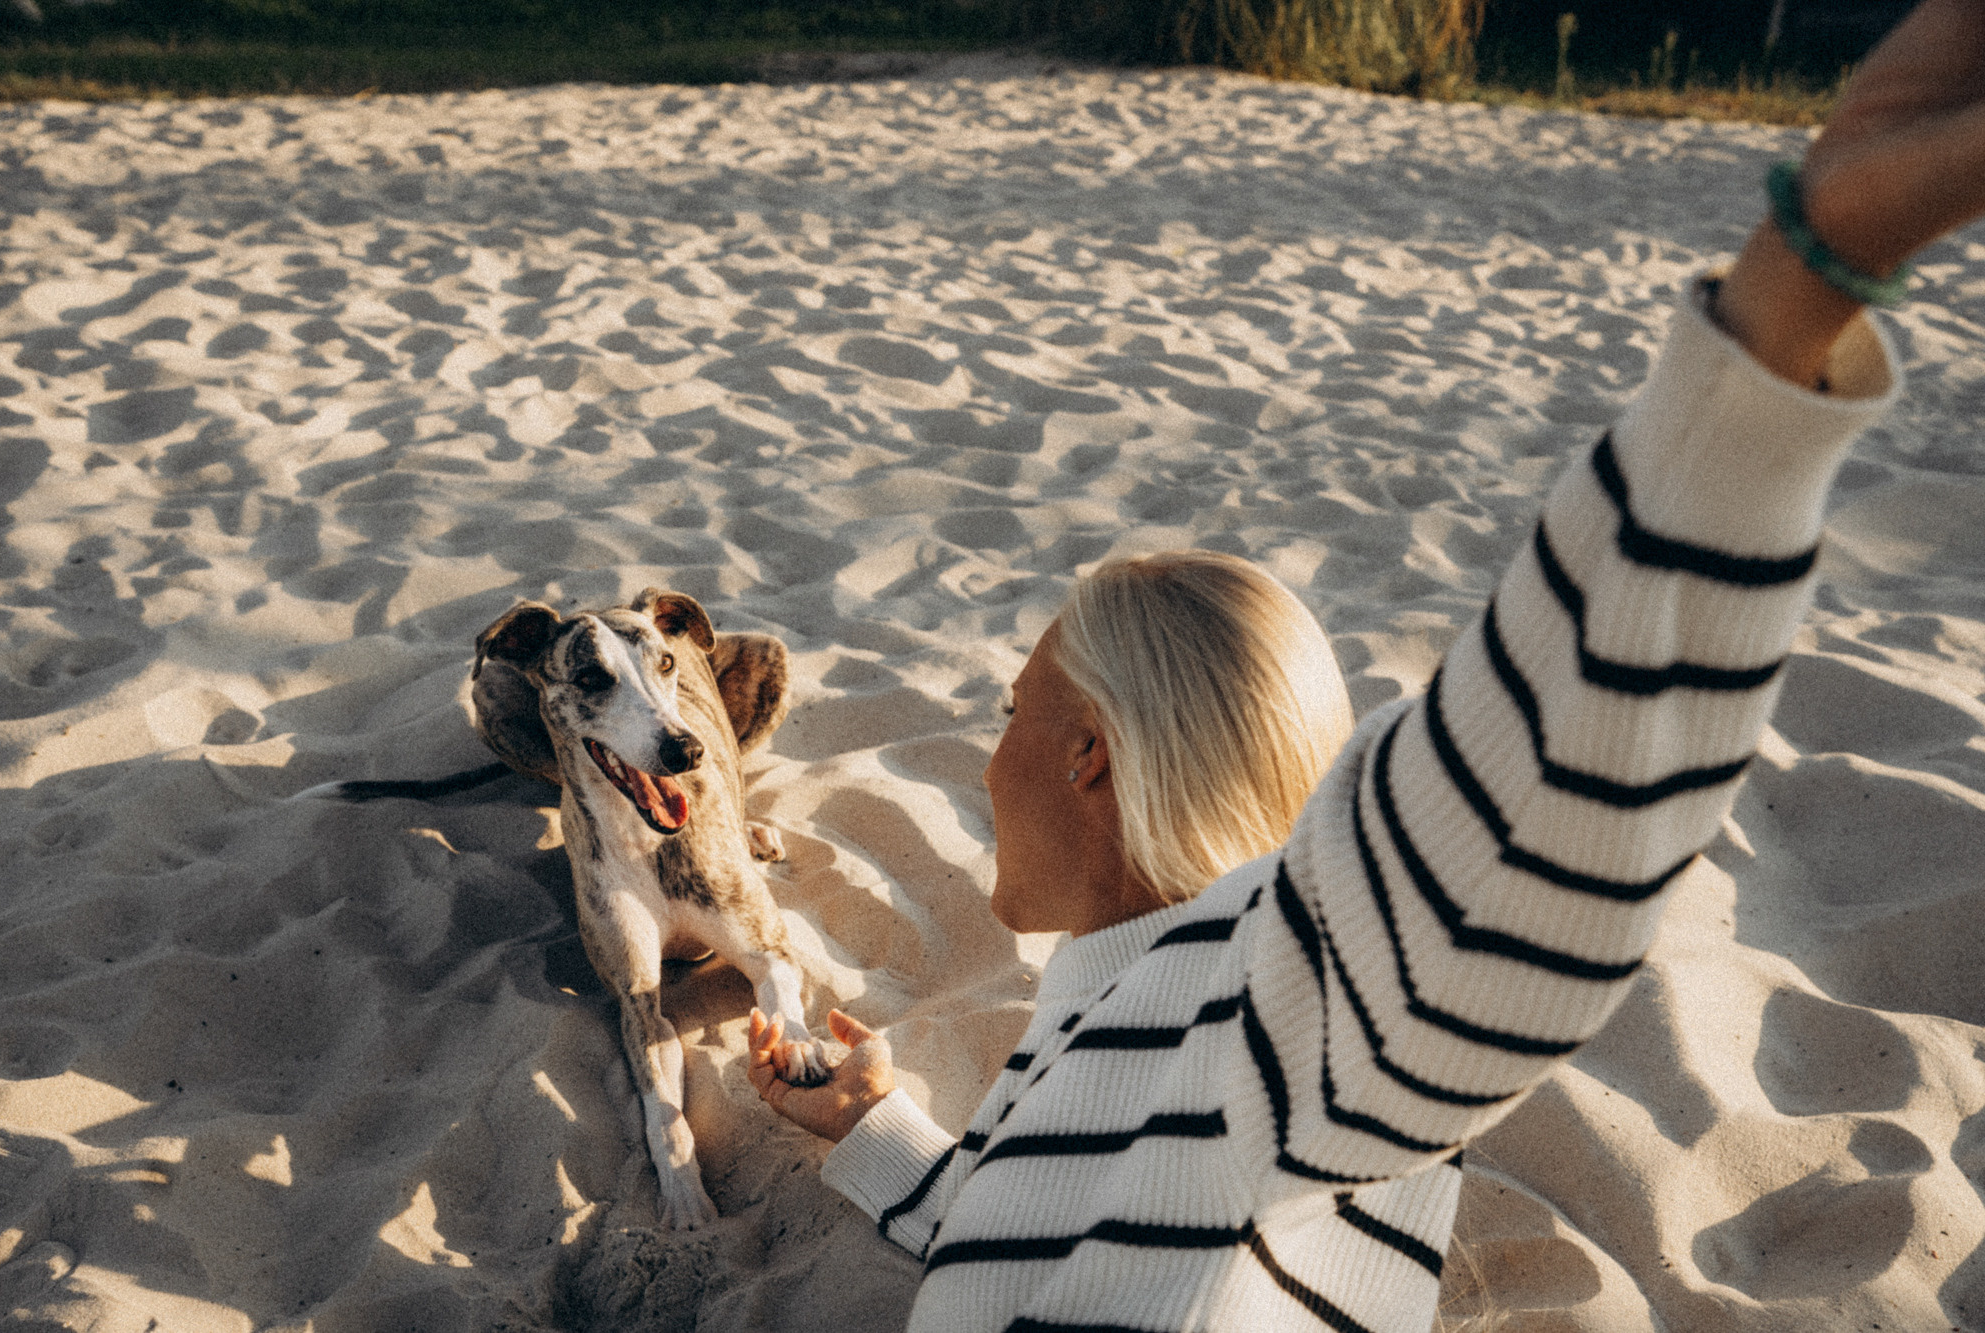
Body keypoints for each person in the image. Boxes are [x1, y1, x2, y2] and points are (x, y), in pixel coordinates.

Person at [746, 3, 1985, 1328]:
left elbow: (1526, 817)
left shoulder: (1277, 998)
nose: (983, 755)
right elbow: (1059, 1229)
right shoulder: (1111, 1012)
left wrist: (1795, 287)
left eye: (1009, 711)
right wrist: (878, 1129)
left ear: (1085, 750)